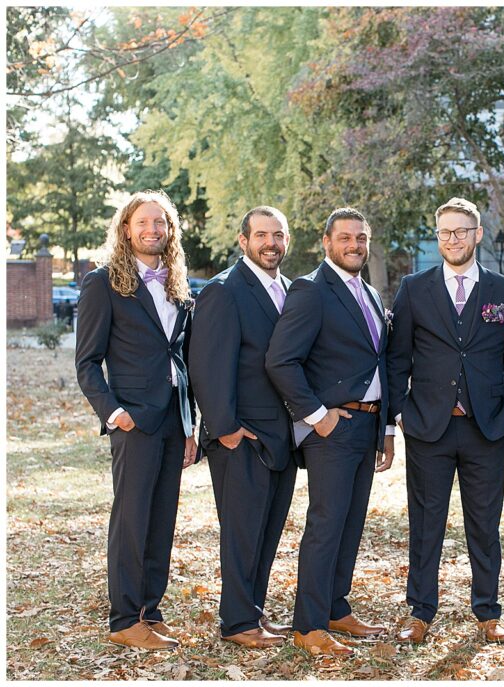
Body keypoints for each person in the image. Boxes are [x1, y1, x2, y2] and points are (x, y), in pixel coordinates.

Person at [387, 197, 504, 644]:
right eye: (445, 231)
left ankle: (488, 611)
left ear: (478, 234)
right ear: (438, 235)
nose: (453, 239)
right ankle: (420, 611)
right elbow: (397, 359)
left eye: (462, 231)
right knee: (425, 524)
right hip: (429, 427)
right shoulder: (414, 287)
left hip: (486, 428)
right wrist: (403, 412)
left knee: (485, 524)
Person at [265, 207, 395, 656]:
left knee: (351, 522)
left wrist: (388, 428)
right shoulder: (311, 289)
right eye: (344, 238)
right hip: (332, 428)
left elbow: (379, 364)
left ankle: (337, 608)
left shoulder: (371, 295)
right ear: (326, 242)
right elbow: (281, 361)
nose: (354, 245)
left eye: (360, 237)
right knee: (326, 524)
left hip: (369, 423)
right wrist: (317, 415)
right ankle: (310, 624)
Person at [75, 189, 198, 650]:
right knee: (131, 518)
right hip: (133, 421)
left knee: (162, 518)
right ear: (126, 229)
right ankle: (125, 618)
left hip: (172, 419)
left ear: (170, 231)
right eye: (143, 222)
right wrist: (114, 413)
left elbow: (184, 361)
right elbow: (87, 362)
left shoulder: (179, 288)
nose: (152, 230)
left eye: (160, 223)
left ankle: (151, 608)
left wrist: (190, 425)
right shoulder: (102, 283)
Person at [189, 206, 297, 648]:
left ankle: (254, 613)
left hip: (283, 436)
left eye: (278, 235)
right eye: (262, 235)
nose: (270, 243)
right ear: (243, 240)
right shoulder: (224, 290)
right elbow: (207, 364)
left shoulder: (290, 289)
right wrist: (225, 427)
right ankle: (236, 623)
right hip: (241, 437)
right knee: (241, 533)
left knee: (267, 532)